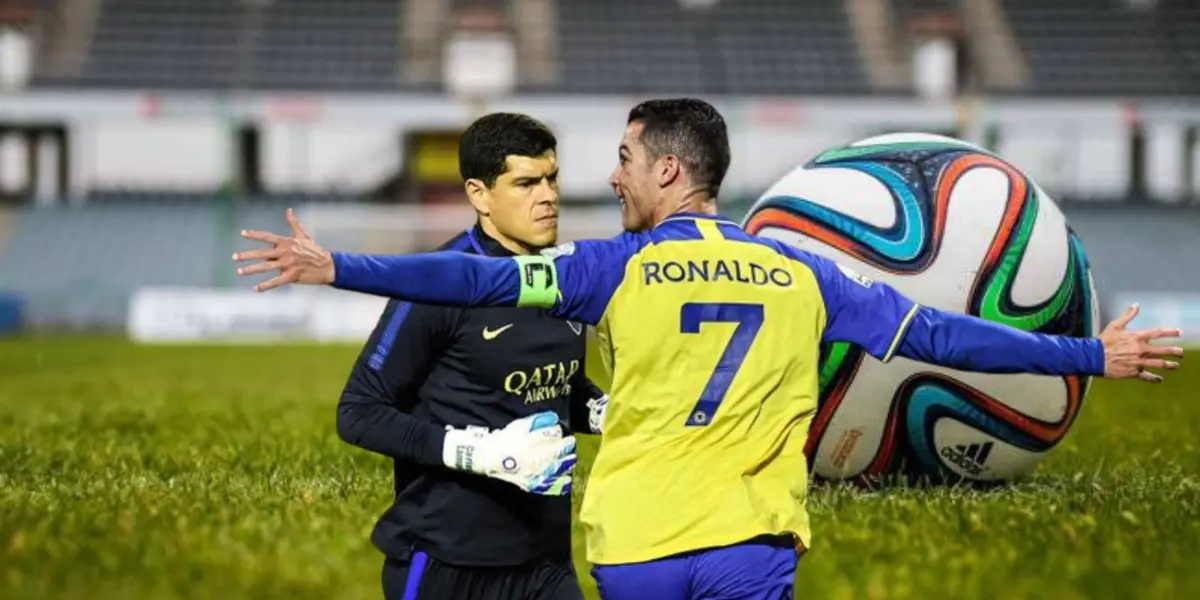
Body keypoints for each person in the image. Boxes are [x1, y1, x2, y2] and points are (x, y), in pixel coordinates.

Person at [233, 99, 1184, 600]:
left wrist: (339, 267)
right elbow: (942, 336)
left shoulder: (612, 269)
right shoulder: (802, 272)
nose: (611, 176)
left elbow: (473, 279)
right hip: (749, 543)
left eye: (625, 159)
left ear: (668, 171)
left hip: (636, 548)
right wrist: (1093, 359)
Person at [327, 113, 607, 600]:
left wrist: (602, 410)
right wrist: (478, 453)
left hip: (546, 563)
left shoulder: (564, 279)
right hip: (446, 563)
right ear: (479, 194)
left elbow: (559, 384)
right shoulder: (439, 286)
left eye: (551, 178)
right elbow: (358, 412)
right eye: (525, 183)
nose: (548, 196)